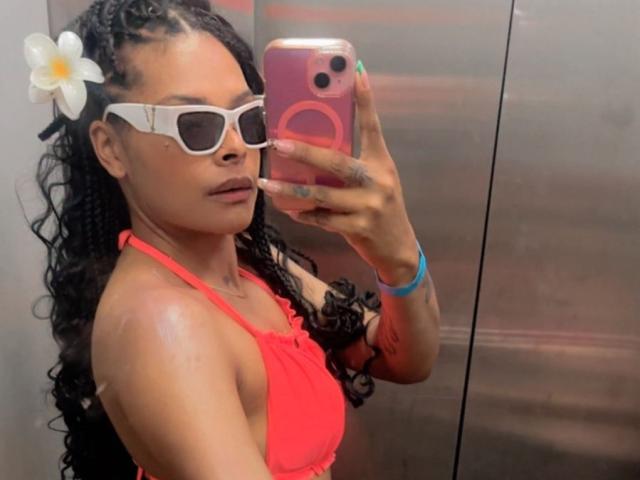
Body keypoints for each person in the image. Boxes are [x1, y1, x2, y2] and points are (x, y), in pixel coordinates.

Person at [27, 1, 440, 479]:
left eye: (249, 119)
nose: (236, 148)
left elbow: (404, 359)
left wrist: (398, 256)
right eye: (195, 125)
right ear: (111, 148)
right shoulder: (165, 321)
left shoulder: (249, 267)